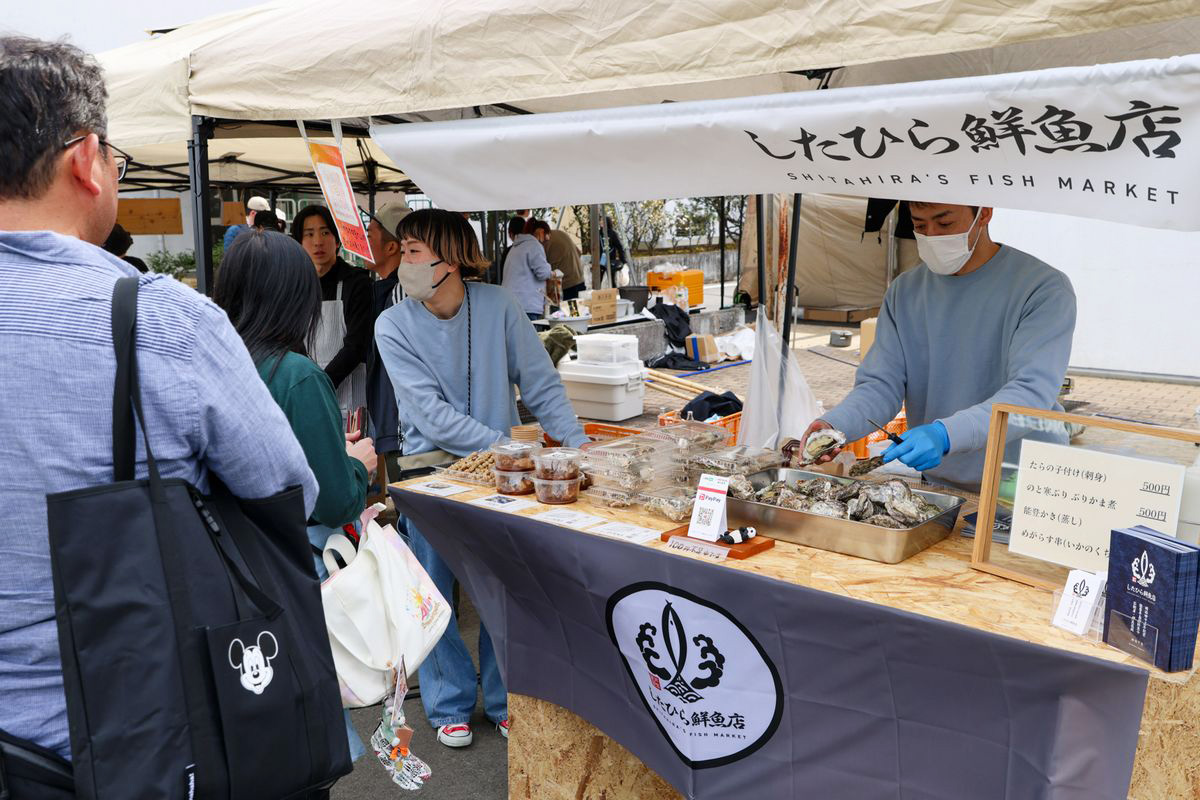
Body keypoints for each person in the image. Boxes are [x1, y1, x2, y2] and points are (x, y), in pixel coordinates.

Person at [0, 35, 318, 768]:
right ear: (86, 159)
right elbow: (288, 494)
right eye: (116, 157)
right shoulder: (157, 319)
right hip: (119, 746)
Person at [375, 209, 587, 748]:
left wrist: (581, 451)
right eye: (405, 249)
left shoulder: (499, 306)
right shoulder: (392, 324)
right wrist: (511, 445)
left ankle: (500, 698)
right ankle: (447, 701)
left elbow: (541, 386)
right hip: (431, 478)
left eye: (416, 250)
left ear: (451, 259)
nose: (406, 260)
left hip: (500, 477)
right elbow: (427, 414)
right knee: (434, 591)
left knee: (501, 590)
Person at [213, 228, 377, 763]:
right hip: (298, 569)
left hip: (232, 569)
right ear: (296, 297)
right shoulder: (297, 376)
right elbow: (332, 500)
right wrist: (356, 465)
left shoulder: (215, 365)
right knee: (309, 731)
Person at [801, 202, 1076, 492]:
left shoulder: (1042, 288)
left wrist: (945, 435)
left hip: (1026, 482)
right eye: (919, 225)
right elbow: (881, 386)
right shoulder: (905, 292)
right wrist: (835, 425)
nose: (932, 236)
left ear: (984, 213)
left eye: (944, 224)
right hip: (942, 481)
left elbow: (1031, 394)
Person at [292, 204, 373, 420]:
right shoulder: (295, 287)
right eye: (309, 234)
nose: (318, 241)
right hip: (307, 394)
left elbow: (356, 345)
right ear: (299, 242)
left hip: (351, 400)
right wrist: (309, 387)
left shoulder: (357, 283)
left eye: (325, 232)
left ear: (337, 240)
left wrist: (322, 385)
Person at [363, 201, 412, 480]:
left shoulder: (402, 293)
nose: (363, 242)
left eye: (369, 235)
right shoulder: (385, 289)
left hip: (402, 427)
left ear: (392, 247)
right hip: (392, 423)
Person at [502, 215, 554, 320]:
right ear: (541, 232)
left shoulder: (516, 247)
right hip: (527, 305)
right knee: (530, 336)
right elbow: (543, 273)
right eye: (546, 236)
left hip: (511, 303)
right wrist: (552, 271)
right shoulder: (534, 246)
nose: (546, 240)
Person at [537, 221, 585, 300]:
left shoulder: (544, 242)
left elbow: (542, 270)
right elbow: (579, 253)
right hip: (579, 280)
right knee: (577, 310)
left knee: (566, 311)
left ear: (540, 232)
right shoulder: (560, 233)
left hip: (566, 285)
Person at [600, 214, 628, 288]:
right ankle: (596, 294)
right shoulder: (598, 233)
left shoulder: (613, 233)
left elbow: (620, 247)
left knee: (612, 280)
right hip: (601, 260)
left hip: (611, 260)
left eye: (603, 221)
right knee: (598, 280)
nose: (601, 222)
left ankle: (614, 295)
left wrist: (623, 260)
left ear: (607, 222)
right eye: (600, 220)